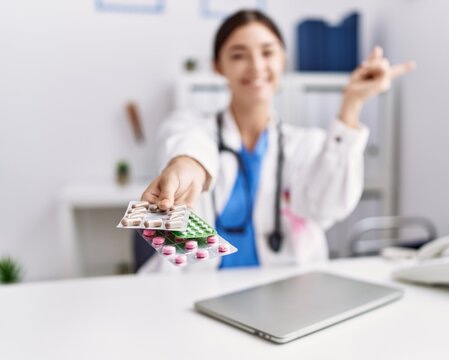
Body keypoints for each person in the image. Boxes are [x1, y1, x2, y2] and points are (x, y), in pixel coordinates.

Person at [140, 9, 415, 272]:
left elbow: (328, 207)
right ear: (218, 66)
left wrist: (351, 106)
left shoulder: (306, 145)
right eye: (238, 55)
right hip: (195, 288)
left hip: (286, 294)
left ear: (283, 60)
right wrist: (189, 166)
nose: (256, 66)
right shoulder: (191, 126)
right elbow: (187, 143)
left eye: (268, 52)